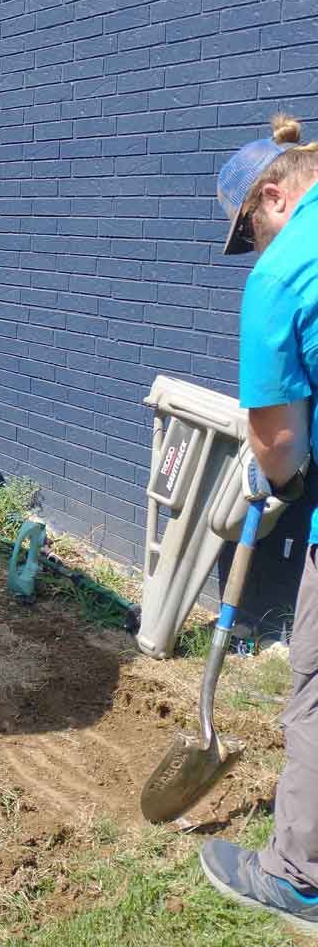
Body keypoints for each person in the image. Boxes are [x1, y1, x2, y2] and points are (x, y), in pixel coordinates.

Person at [199, 113, 318, 936]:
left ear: (274, 197)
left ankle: (299, 876)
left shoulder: (285, 271)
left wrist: (276, 472)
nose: (256, 248)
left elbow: (277, 441)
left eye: (252, 231)